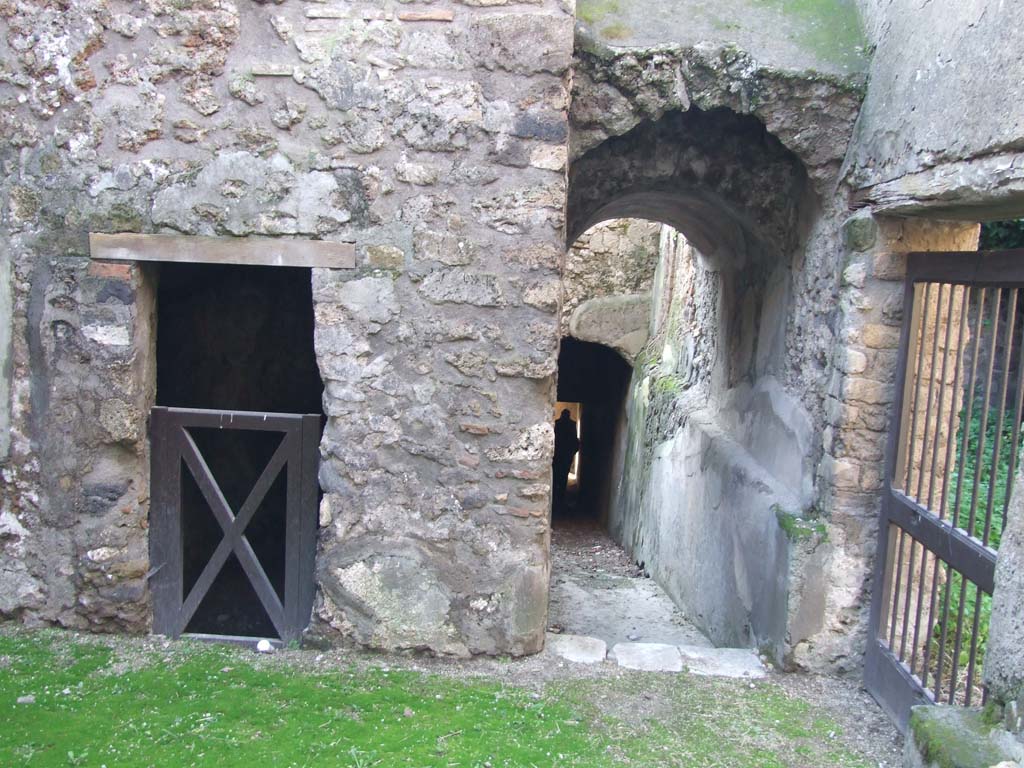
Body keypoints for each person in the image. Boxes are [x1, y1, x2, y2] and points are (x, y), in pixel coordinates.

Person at [552, 409, 579, 512]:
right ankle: (560, 497)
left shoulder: (557, 424)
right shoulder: (572, 424)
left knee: (557, 475)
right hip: (565, 455)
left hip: (558, 455)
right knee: (563, 475)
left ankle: (556, 497)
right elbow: (574, 440)